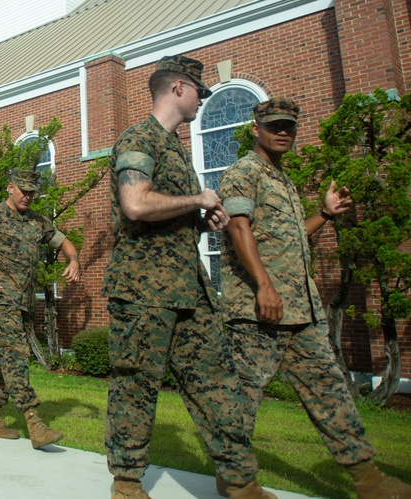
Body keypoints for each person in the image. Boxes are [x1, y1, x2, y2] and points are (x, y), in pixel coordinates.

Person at [219, 98, 411, 499]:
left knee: (331, 391)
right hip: (258, 312)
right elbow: (239, 229)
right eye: (274, 125)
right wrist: (264, 286)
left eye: (289, 125)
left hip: (300, 312)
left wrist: (324, 213)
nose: (283, 132)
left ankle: (367, 479)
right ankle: (236, 482)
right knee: (241, 400)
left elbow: (288, 238)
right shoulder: (243, 172)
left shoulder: (284, 180)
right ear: (257, 129)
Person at [103, 54, 274, 499]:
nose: (203, 99)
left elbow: (166, 213)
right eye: (200, 90)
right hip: (142, 291)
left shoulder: (177, 148)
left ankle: (238, 479)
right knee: (135, 386)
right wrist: (197, 198)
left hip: (189, 289)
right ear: (179, 88)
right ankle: (126, 482)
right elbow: (136, 204)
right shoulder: (138, 139)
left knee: (216, 381)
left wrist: (201, 220)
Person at [0, 168, 80, 448]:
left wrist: (73, 260)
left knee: (6, 358)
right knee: (16, 353)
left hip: (24, 302)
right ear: (10, 187)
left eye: (32, 192)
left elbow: (64, 241)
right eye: (23, 190)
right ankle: (33, 420)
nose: (28, 196)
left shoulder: (36, 222)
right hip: (0, 298)